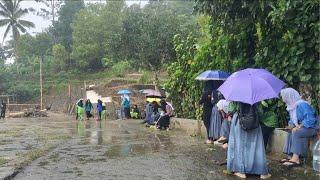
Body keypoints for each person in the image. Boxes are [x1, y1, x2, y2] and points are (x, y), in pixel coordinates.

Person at [227, 102, 271, 179]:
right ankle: (262, 172)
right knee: (257, 146)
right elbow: (261, 112)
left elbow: (231, 109)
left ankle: (241, 171)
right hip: (253, 121)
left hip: (240, 122)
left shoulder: (236, 95)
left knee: (239, 145)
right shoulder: (255, 95)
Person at [280, 88, 318, 167]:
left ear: (290, 96)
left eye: (285, 97)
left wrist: (300, 126)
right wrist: (290, 126)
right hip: (306, 127)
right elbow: (293, 120)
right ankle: (290, 156)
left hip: (313, 127)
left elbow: (311, 119)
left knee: (296, 132)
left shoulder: (302, 105)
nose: (284, 99)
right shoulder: (292, 106)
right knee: (291, 131)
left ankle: (295, 159)